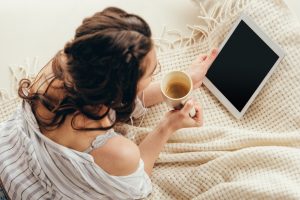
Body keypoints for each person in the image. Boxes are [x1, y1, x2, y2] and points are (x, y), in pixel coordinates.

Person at [0, 7, 217, 200]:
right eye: (153, 72)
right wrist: (167, 126)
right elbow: (138, 186)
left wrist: (182, 80)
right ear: (120, 91)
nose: (157, 73)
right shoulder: (119, 153)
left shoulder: (58, 66)